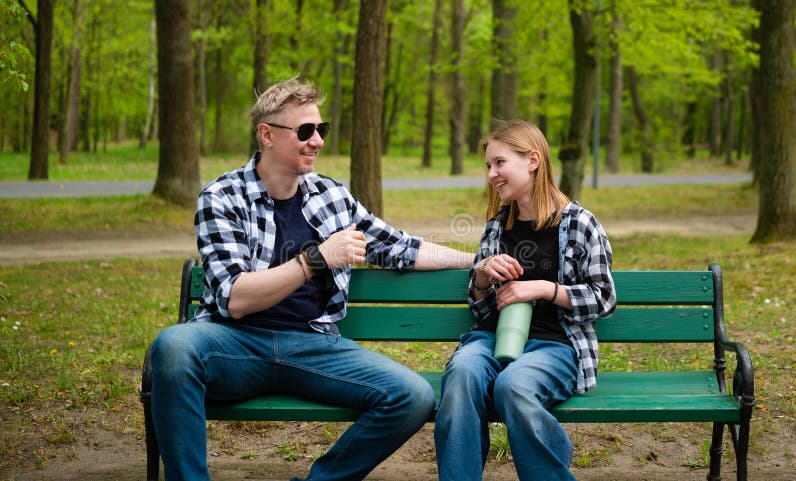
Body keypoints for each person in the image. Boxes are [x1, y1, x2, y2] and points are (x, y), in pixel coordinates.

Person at [148, 76, 473, 481]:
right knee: (174, 346)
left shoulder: (331, 196)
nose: (317, 141)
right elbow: (235, 298)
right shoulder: (222, 197)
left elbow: (403, 248)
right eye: (305, 131)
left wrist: (478, 260)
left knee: (413, 395)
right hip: (234, 343)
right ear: (267, 135)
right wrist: (314, 259)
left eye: (322, 129)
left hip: (312, 345)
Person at [433, 119, 616, 481]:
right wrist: (483, 275)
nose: (491, 174)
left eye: (500, 162)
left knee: (513, 386)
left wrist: (545, 289)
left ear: (532, 160)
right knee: (461, 374)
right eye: (488, 165)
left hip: (555, 344)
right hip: (491, 338)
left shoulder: (580, 224)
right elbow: (481, 308)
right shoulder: (497, 226)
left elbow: (604, 298)